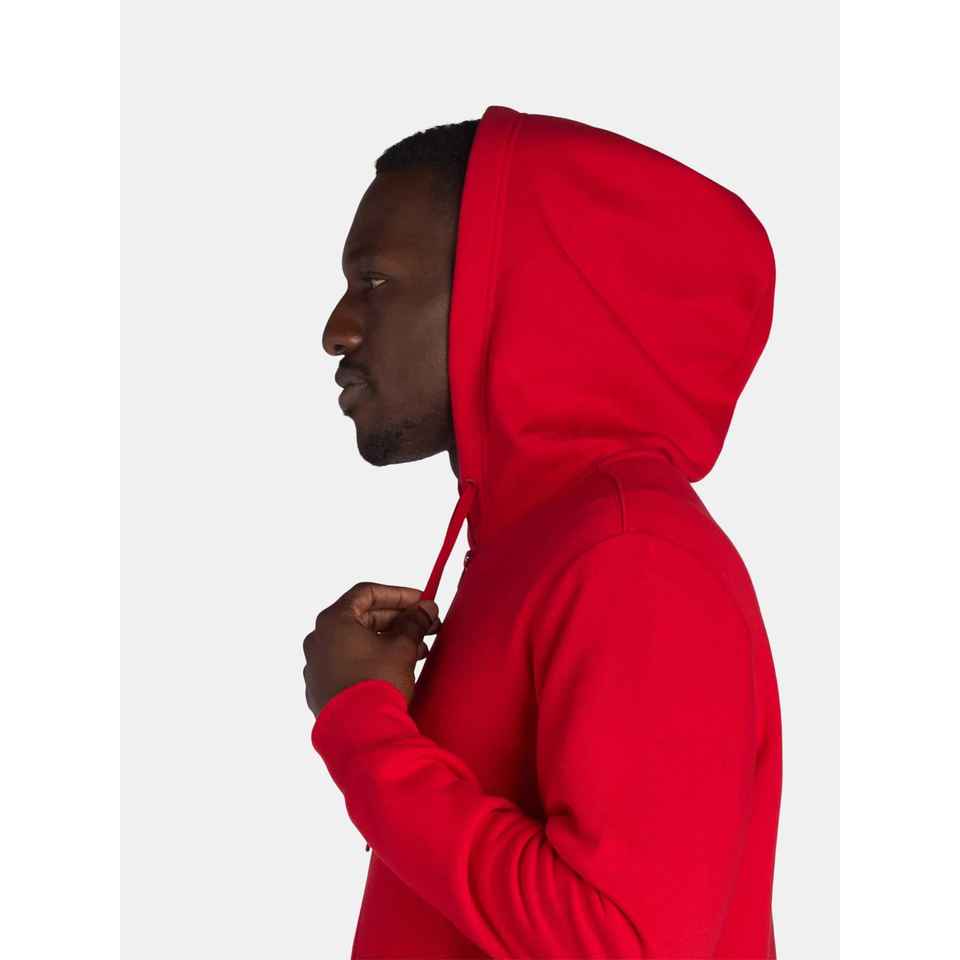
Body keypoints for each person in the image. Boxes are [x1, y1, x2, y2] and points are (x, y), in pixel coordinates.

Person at [303, 104, 782, 959]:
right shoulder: (538, 548)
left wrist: (364, 727)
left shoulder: (633, 557)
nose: (337, 330)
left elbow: (623, 942)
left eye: (373, 281)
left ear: (511, 288)